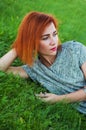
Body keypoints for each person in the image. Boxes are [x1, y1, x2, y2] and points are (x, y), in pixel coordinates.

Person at [0, 11, 86, 114]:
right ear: (32, 41)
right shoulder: (35, 69)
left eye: (55, 34)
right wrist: (20, 46)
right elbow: (1, 69)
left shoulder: (75, 49)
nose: (53, 41)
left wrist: (58, 99)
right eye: (45, 38)